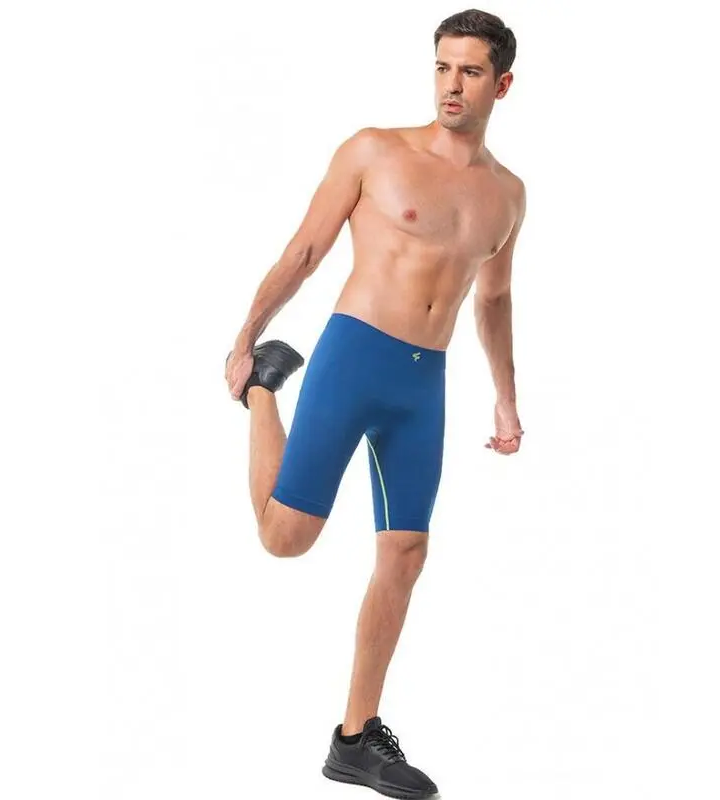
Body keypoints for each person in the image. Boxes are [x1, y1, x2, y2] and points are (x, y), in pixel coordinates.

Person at [224, 9, 524, 798]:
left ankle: (355, 739)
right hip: (354, 355)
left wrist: (505, 398)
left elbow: (494, 299)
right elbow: (306, 248)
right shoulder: (375, 151)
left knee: (406, 553)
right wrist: (247, 336)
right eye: (442, 67)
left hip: (425, 382)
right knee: (286, 539)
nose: (451, 85)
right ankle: (265, 389)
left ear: (501, 84)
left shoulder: (508, 196)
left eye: (469, 71)